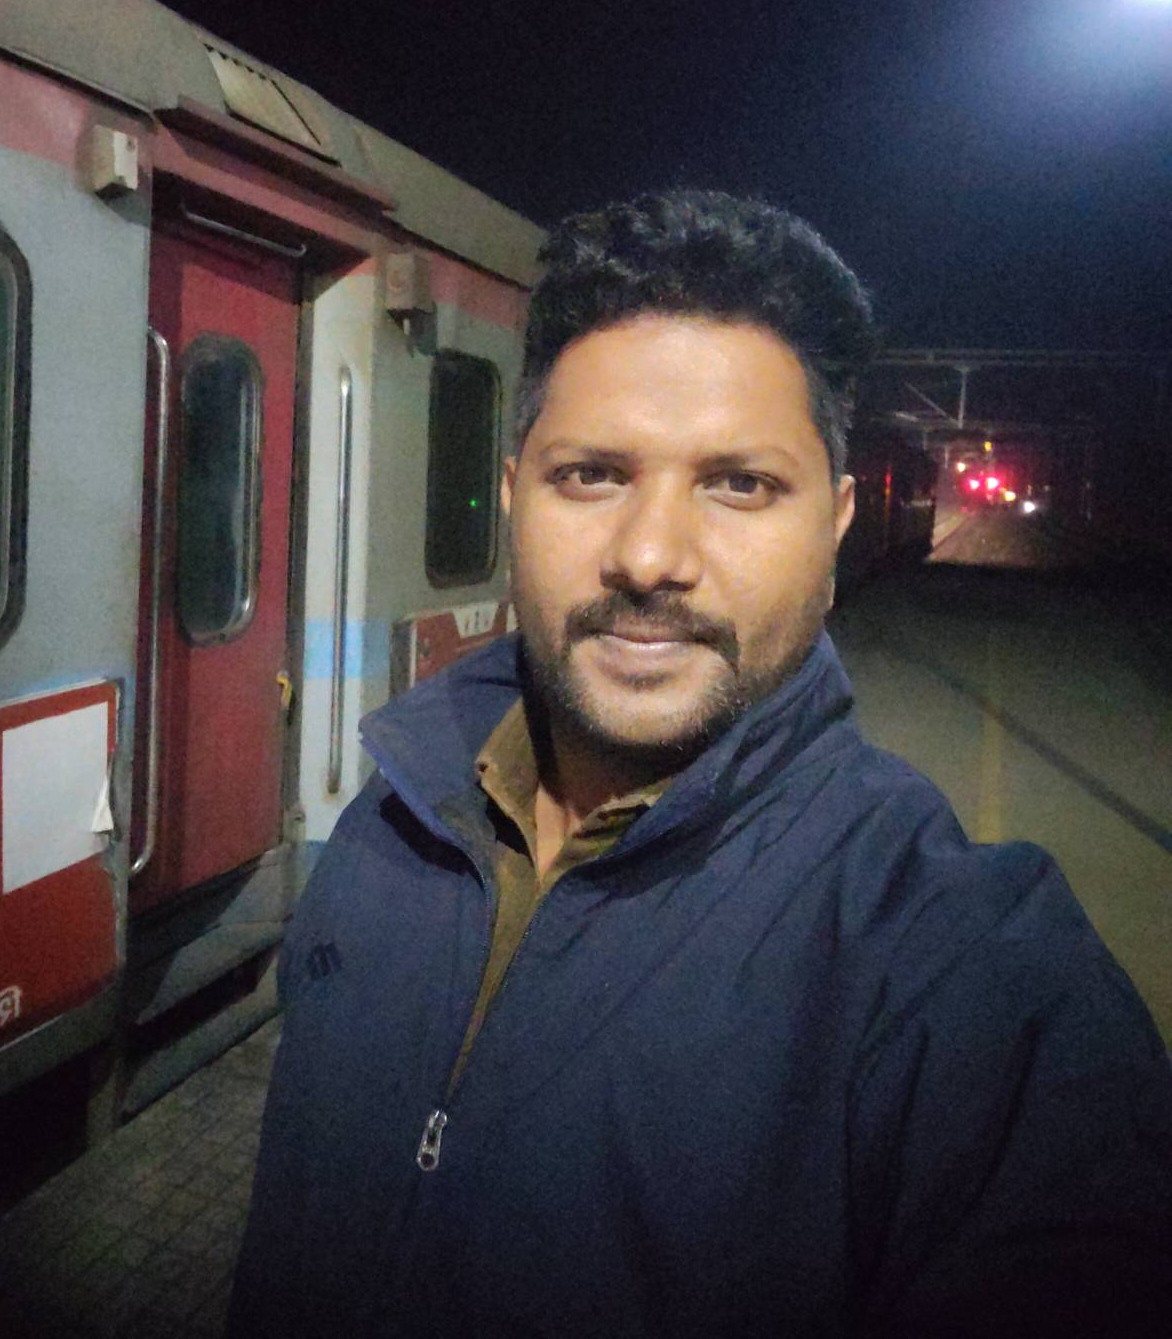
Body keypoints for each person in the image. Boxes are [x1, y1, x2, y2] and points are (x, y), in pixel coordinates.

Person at [228, 191, 1171, 1339]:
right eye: (591, 475)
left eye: (739, 484)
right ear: (515, 497)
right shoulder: (395, 818)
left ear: (833, 526)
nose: (649, 555)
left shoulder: (963, 975)